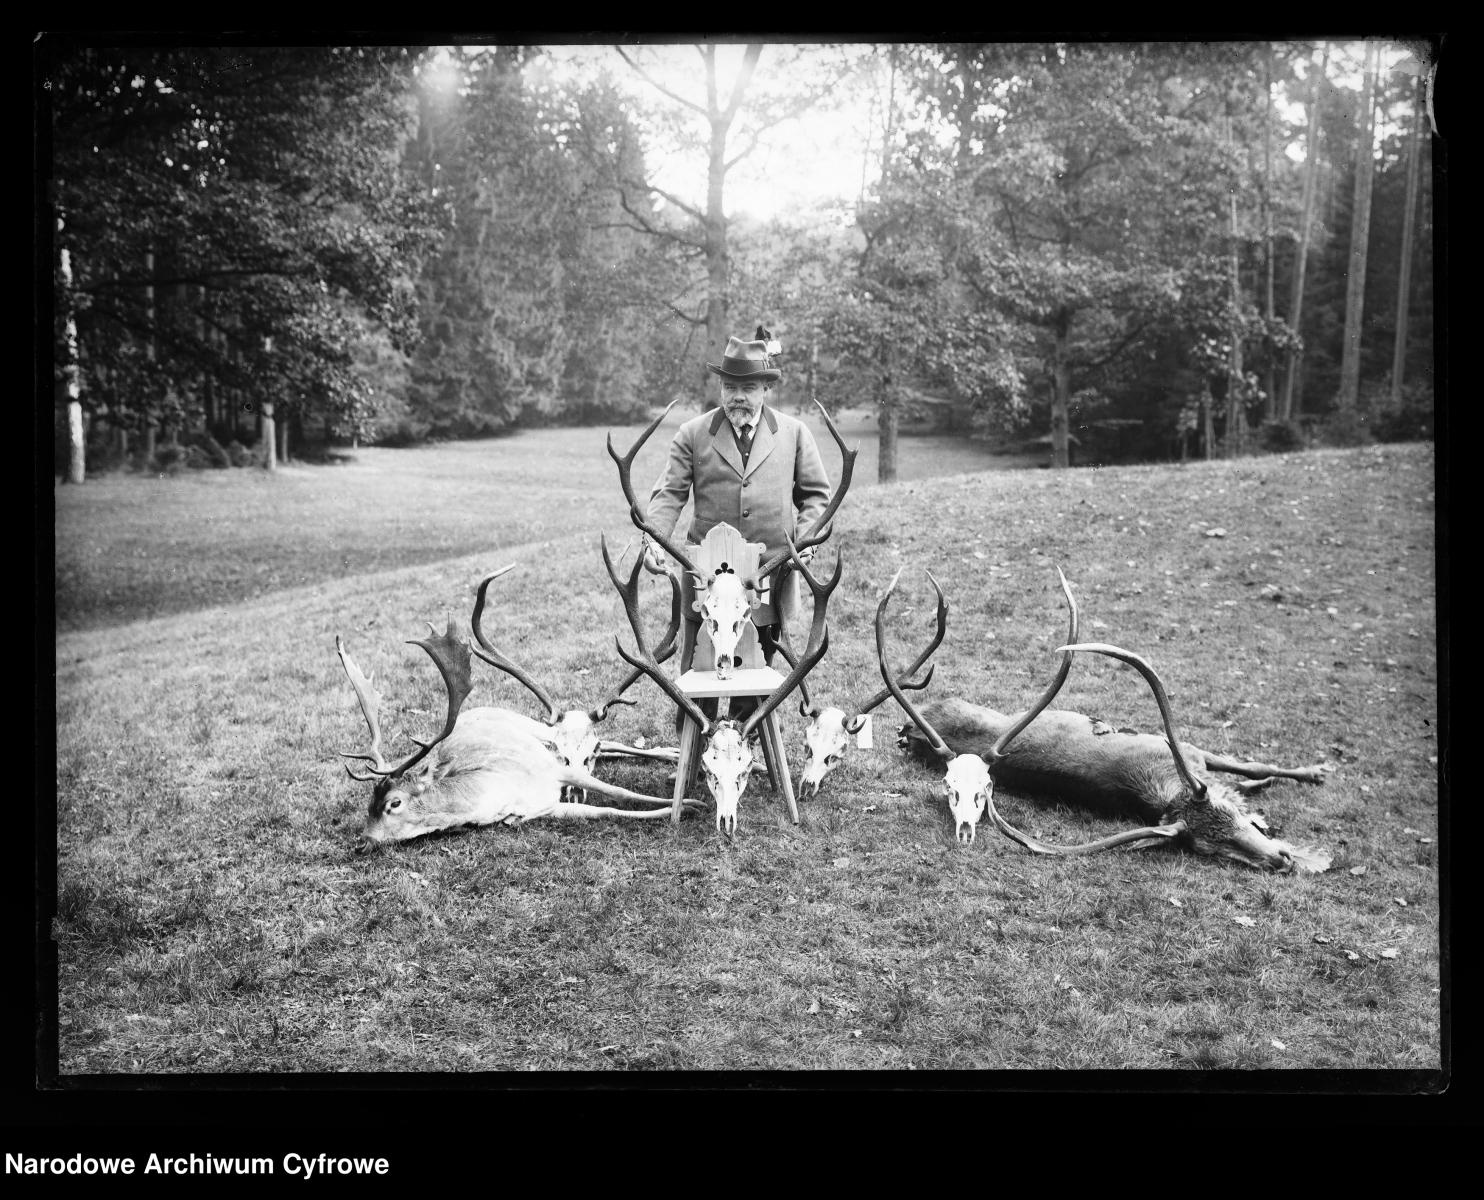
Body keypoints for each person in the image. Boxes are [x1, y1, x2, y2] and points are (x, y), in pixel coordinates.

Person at [642, 327, 833, 723]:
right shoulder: (692, 434)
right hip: (706, 582)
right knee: (699, 682)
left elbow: (816, 495)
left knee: (756, 681)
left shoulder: (795, 435)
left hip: (768, 579)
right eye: (730, 386)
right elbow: (669, 494)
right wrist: (654, 541)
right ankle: (694, 756)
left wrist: (807, 542)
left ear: (766, 387)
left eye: (748, 387)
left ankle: (744, 753)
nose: (738, 396)